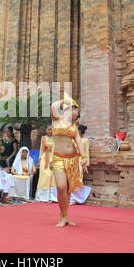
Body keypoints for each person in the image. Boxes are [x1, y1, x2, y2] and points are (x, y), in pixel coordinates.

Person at [50, 93, 88, 227]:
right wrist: (65, 100)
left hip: (72, 160)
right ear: (70, 109)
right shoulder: (56, 119)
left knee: (68, 189)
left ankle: (64, 216)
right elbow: (53, 105)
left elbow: (78, 142)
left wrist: (84, 158)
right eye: (77, 111)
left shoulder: (74, 127)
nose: (78, 115)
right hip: (58, 158)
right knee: (61, 187)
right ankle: (63, 215)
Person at [35, 126, 57, 203]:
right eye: (48, 129)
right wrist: (39, 160)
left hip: (52, 158)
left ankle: (51, 197)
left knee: (51, 176)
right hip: (44, 159)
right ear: (46, 130)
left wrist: (52, 161)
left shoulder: (55, 138)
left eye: (51, 129)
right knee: (43, 177)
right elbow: (41, 149)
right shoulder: (43, 138)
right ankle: (42, 196)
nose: (50, 131)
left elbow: (55, 150)